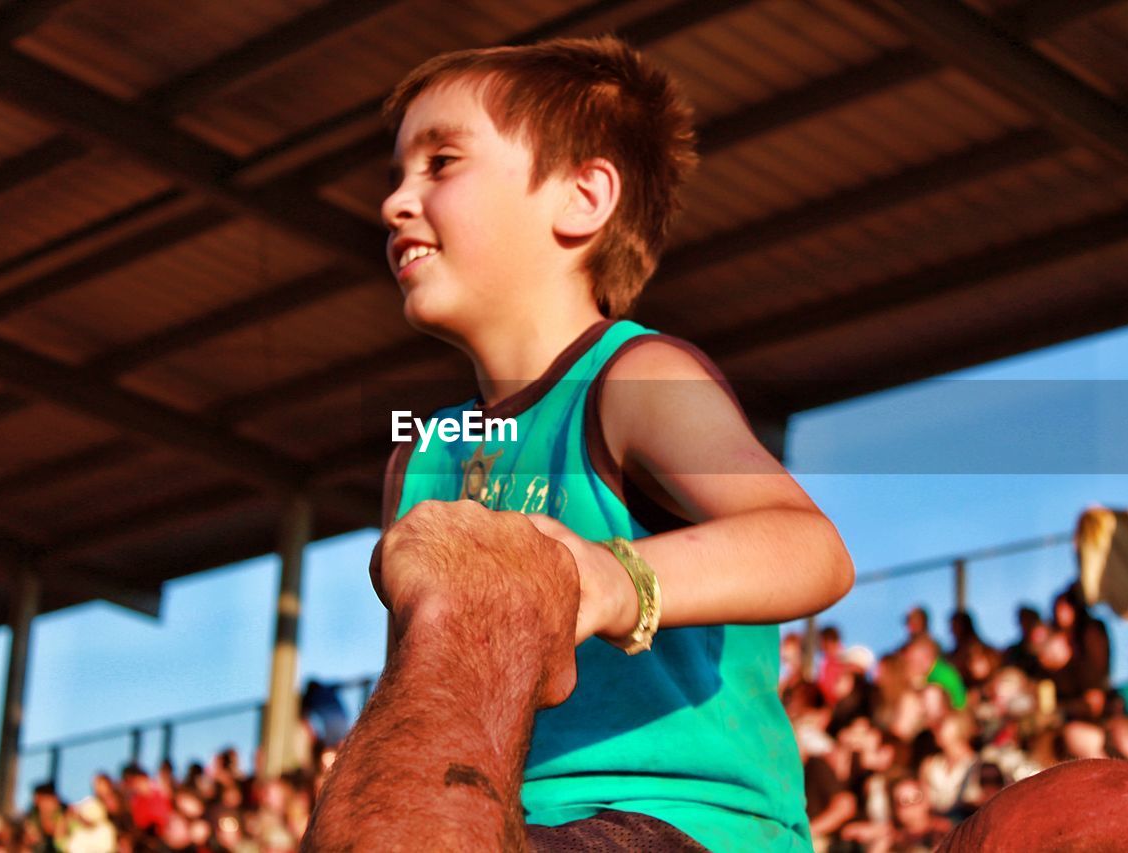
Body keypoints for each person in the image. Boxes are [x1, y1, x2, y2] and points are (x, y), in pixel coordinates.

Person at [306, 36, 854, 851]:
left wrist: (611, 576)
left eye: (441, 162)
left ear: (583, 197)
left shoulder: (633, 380)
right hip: (504, 815)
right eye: (397, 176)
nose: (395, 201)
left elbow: (811, 548)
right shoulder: (423, 458)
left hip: (682, 822)